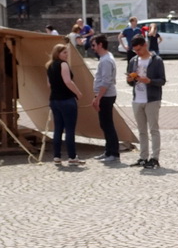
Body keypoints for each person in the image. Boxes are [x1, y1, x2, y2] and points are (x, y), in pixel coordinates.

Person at [127, 35, 165, 169]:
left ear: (145, 45)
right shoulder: (133, 60)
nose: (137, 52)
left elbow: (162, 81)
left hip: (152, 99)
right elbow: (129, 79)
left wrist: (149, 81)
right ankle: (143, 157)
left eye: (139, 49)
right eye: (135, 50)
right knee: (141, 130)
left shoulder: (157, 60)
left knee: (153, 129)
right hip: (137, 99)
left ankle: (155, 158)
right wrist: (130, 80)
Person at [46, 43, 84, 165]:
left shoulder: (49, 65)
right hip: (66, 99)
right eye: (64, 52)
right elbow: (68, 81)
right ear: (58, 53)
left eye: (67, 52)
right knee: (69, 129)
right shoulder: (63, 64)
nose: (67, 55)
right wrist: (78, 92)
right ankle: (72, 157)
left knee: (58, 129)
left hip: (54, 100)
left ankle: (57, 156)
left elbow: (49, 84)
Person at [90, 34, 120, 163]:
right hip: (104, 95)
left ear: (100, 45)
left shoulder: (106, 60)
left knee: (108, 125)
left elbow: (106, 82)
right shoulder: (104, 58)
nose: (93, 48)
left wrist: (98, 98)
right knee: (104, 124)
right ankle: (108, 151)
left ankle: (114, 153)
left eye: (94, 45)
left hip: (106, 96)